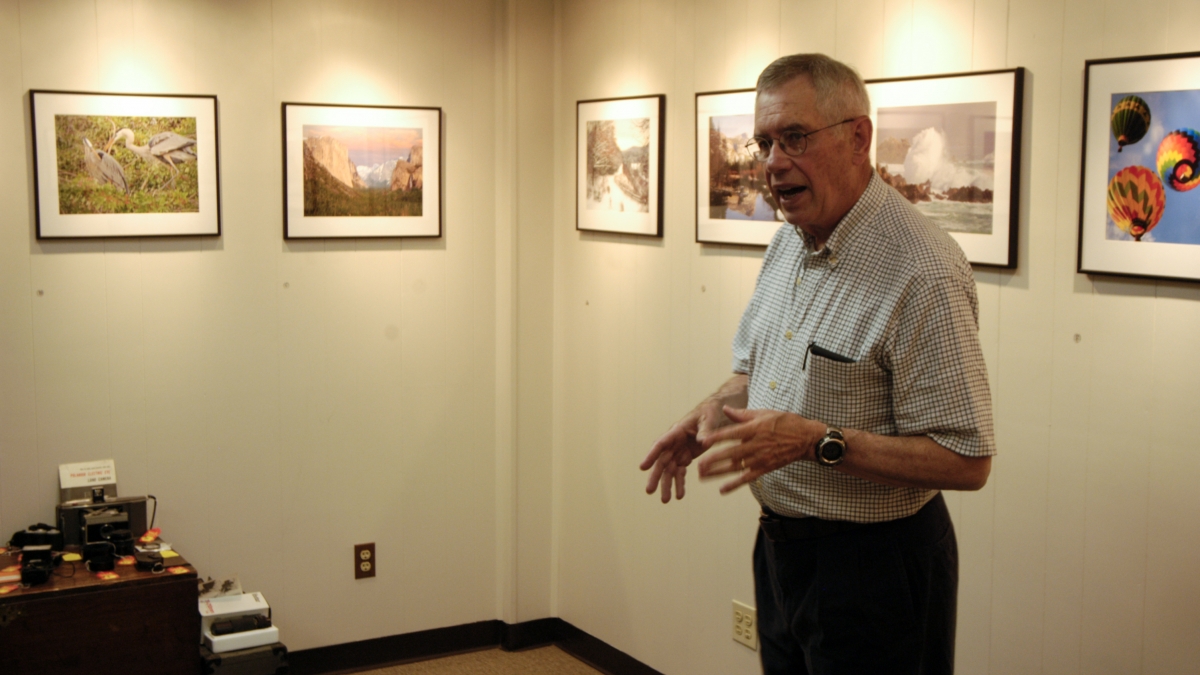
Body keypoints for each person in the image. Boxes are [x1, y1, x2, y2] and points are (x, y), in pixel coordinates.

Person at [640, 53, 995, 674]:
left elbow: (966, 459)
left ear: (859, 138)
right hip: (782, 554)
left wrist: (815, 443)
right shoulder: (787, 244)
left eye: (795, 138)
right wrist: (711, 413)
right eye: (765, 142)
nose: (774, 163)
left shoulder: (924, 271)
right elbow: (756, 370)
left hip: (876, 572)